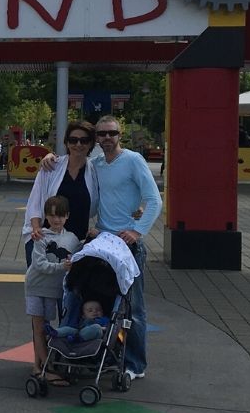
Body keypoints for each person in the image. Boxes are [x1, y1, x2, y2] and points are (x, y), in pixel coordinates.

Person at [56, 115, 162, 381]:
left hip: (127, 245)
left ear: (120, 134)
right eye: (101, 134)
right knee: (84, 294)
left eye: (111, 133)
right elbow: (90, 196)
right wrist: (49, 160)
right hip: (102, 241)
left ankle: (135, 364)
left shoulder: (134, 160)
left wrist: (137, 231)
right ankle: (80, 349)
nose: (106, 138)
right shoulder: (96, 164)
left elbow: (154, 200)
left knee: (133, 308)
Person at [20, 120, 99, 267]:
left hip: (77, 243)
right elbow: (35, 202)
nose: (78, 144)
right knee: (42, 286)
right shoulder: (51, 166)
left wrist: (135, 208)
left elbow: (111, 196)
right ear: (67, 143)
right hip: (45, 239)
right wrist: (36, 229)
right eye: (73, 140)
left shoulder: (95, 171)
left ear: (91, 144)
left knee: (70, 288)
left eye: (84, 140)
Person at [25, 195, 80, 384]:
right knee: (38, 326)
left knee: (46, 328)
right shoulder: (40, 236)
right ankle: (44, 368)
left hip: (54, 290)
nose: (56, 220)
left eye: (60, 216)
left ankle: (39, 366)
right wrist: (61, 268)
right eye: (52, 215)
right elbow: (39, 264)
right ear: (46, 217)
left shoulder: (72, 239)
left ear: (67, 216)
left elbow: (79, 255)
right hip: (35, 286)